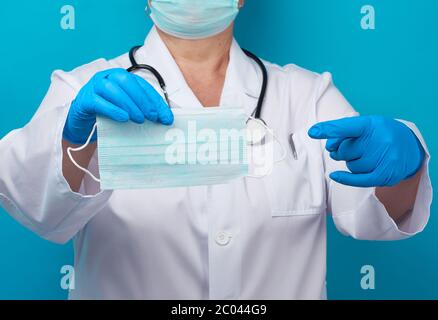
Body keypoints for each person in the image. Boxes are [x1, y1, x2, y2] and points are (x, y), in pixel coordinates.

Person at [0, 0, 432, 299]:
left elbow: (373, 216)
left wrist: (407, 165)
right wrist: (74, 142)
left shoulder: (308, 96)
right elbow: (39, 208)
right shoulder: (83, 90)